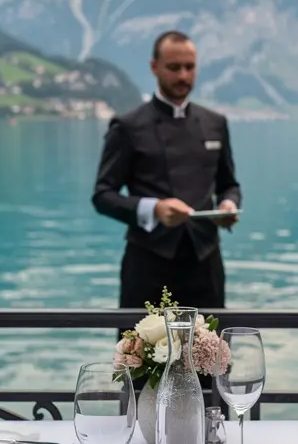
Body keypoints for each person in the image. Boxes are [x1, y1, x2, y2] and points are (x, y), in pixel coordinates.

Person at [92, 30, 242, 311]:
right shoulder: (127, 126)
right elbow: (102, 195)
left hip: (206, 264)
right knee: (142, 354)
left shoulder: (215, 123)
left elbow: (229, 184)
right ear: (154, 67)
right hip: (148, 265)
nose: (183, 76)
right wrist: (154, 209)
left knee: (209, 353)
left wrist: (228, 204)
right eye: (174, 68)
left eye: (189, 67)